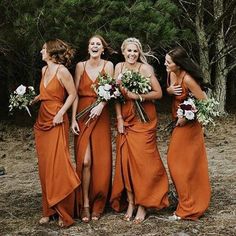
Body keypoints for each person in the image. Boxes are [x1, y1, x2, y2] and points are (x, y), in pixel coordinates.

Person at [110, 38, 169, 224]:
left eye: (135, 51)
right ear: (123, 51)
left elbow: (158, 93)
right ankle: (131, 201)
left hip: (144, 119)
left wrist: (138, 96)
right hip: (126, 119)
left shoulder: (145, 69)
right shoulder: (118, 68)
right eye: (129, 51)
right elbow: (115, 96)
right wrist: (119, 119)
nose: (132, 54)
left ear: (139, 52)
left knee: (144, 162)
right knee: (125, 161)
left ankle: (144, 204)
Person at [34, 39, 80, 227]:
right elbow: (47, 93)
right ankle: (49, 209)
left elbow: (72, 94)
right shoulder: (44, 70)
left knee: (57, 165)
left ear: (52, 52)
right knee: (45, 166)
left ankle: (64, 211)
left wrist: (62, 113)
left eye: (43, 48)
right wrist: (34, 98)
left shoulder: (62, 71)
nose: (41, 51)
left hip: (57, 119)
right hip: (42, 120)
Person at [71, 35, 114, 222]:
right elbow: (74, 94)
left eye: (98, 44)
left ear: (103, 49)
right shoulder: (80, 66)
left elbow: (111, 89)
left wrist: (101, 105)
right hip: (82, 115)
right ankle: (85, 204)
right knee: (85, 160)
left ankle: (98, 204)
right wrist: (72, 119)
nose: (95, 46)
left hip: (100, 114)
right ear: (88, 48)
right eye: (92, 44)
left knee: (101, 160)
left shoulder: (108, 66)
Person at [165, 46, 211, 220]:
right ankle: (185, 200)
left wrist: (186, 115)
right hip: (178, 123)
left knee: (182, 164)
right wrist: (169, 91)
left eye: (168, 62)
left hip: (190, 126)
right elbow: (171, 90)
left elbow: (205, 103)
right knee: (176, 162)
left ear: (178, 64)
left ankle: (189, 207)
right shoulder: (171, 73)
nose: (165, 64)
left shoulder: (189, 79)